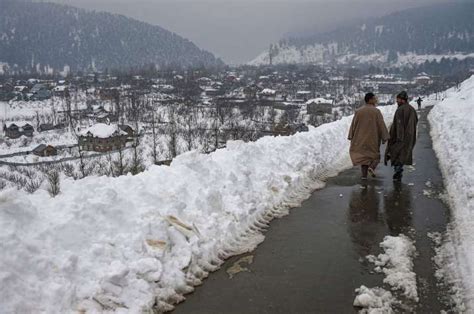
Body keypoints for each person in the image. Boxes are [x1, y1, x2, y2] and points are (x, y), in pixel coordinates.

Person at [348, 92, 390, 179]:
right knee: (375, 156)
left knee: (364, 158)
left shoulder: (359, 111)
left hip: (360, 138)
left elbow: (353, 124)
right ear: (370, 100)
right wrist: (385, 137)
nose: (376, 100)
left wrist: (351, 135)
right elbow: (381, 124)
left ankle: (364, 176)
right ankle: (371, 167)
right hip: (372, 138)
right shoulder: (376, 111)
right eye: (374, 98)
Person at [384, 91, 418, 181]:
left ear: (403, 100)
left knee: (396, 153)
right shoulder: (412, 109)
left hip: (400, 137)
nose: (397, 101)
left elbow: (399, 125)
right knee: (403, 154)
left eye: (398, 100)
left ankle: (398, 171)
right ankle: (398, 170)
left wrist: (398, 138)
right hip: (409, 136)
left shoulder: (400, 110)